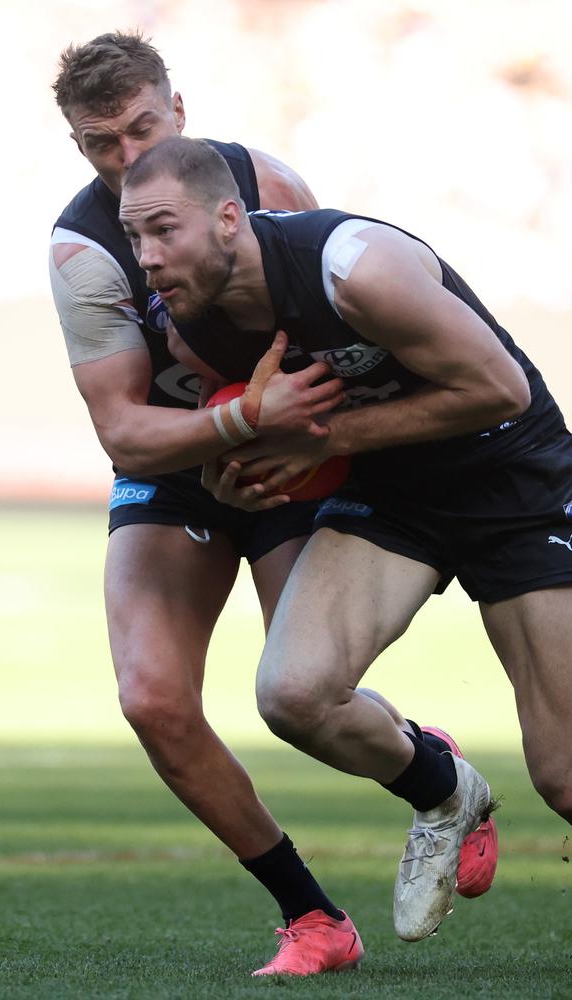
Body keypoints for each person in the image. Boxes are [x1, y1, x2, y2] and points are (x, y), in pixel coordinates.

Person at [50, 31, 489, 976]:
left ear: (179, 111)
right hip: (184, 464)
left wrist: (278, 437)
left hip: (294, 451)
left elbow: (344, 340)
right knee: (153, 701)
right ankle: (315, 919)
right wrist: (237, 421)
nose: (128, 162)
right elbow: (126, 433)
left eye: (141, 129)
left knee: (302, 687)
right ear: (79, 150)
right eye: (101, 146)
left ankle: (434, 775)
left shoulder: (270, 186)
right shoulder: (84, 252)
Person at [118, 134, 572, 944]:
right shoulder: (193, 324)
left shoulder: (353, 267)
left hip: (512, 479)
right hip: (389, 492)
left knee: (565, 777)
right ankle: (446, 794)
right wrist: (239, 477)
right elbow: (255, 449)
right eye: (134, 237)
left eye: (163, 231)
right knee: (291, 694)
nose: (147, 258)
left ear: (230, 219)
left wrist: (324, 440)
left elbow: (498, 388)